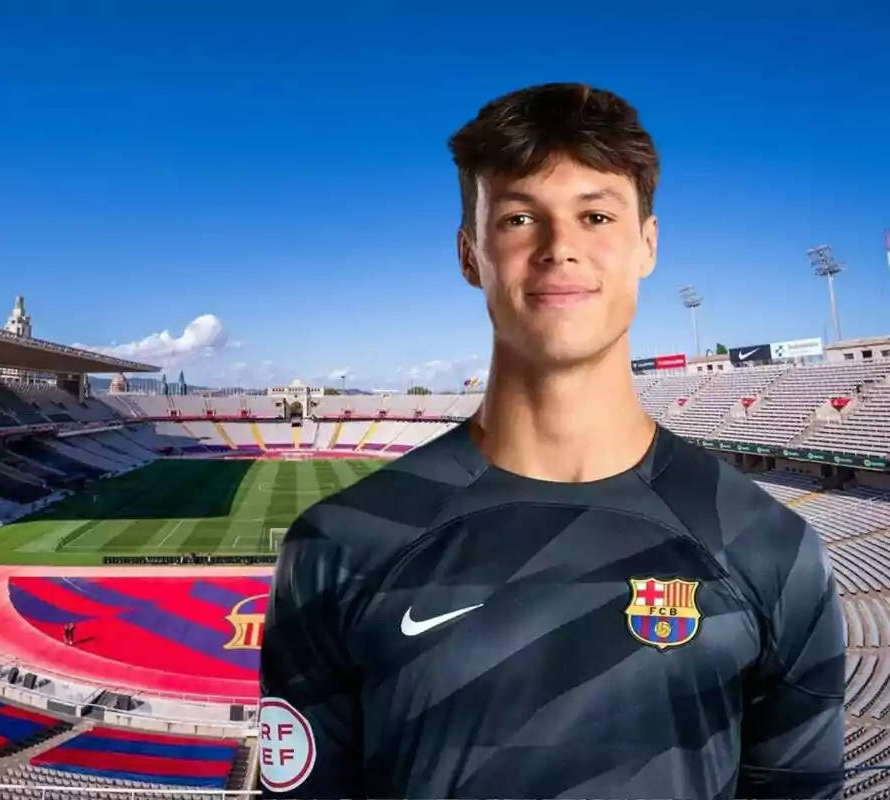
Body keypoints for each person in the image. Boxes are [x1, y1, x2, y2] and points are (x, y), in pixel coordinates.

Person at [258, 83, 845, 800]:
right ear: (470, 254)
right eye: (516, 218)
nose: (559, 248)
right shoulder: (340, 544)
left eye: (595, 215)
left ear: (647, 246)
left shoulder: (773, 548)